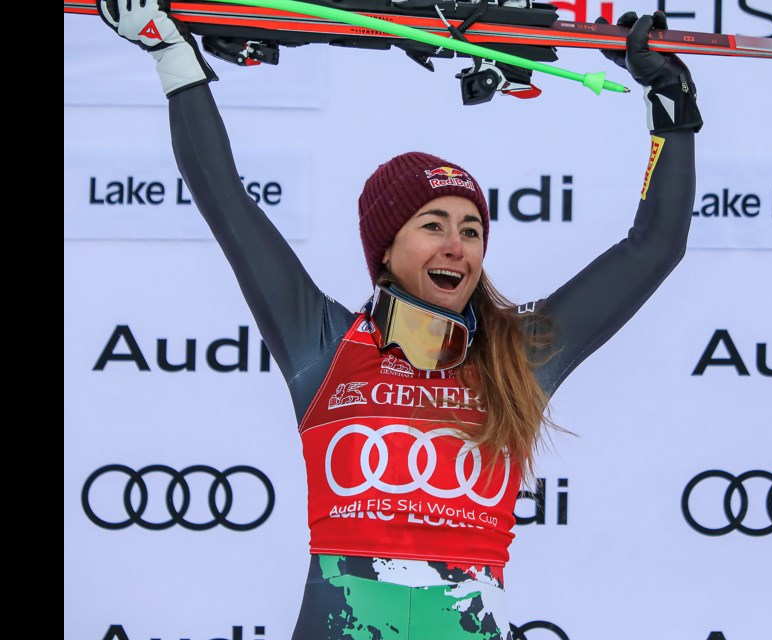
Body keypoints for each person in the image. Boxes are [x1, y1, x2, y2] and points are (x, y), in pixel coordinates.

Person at [97, 1, 702, 638]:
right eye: (432, 225)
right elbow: (228, 203)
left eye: (471, 229)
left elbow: (654, 247)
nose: (456, 245)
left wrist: (670, 108)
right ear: (385, 248)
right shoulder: (323, 342)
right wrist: (172, 57)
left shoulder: (519, 355)